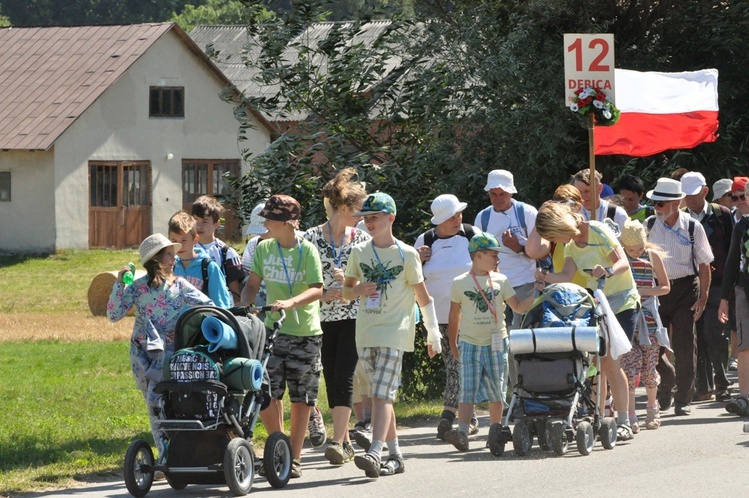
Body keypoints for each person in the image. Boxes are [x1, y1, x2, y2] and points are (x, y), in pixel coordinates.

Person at [343, 192, 442, 478]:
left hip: (395, 333)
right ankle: (396, 456)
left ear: (391, 218)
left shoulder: (407, 254)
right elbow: (347, 293)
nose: (369, 223)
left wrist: (433, 333)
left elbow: (424, 298)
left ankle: (375, 451)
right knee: (380, 396)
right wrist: (358, 290)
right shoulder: (358, 252)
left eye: (374, 217)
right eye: (365, 218)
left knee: (382, 394)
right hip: (365, 332)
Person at [534, 202, 640, 440]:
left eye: (554, 235)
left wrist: (608, 271)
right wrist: (545, 278)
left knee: (611, 362)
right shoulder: (570, 244)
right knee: (595, 363)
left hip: (621, 301)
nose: (556, 241)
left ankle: (624, 420)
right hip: (598, 302)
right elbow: (567, 275)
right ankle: (598, 417)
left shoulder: (597, 230)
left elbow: (622, 262)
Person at [237, 194, 324, 479]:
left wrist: (291, 302)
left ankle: (294, 458)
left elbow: (317, 289)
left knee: (302, 397)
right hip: (272, 332)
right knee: (267, 394)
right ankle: (279, 451)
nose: (264, 224)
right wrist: (243, 305)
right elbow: (252, 283)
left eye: (270, 219)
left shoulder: (307, 250)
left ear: (287, 223)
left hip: (305, 333)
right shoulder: (263, 248)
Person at [107, 233, 212, 456]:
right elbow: (114, 314)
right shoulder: (137, 288)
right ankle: (166, 455)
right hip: (143, 357)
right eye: (169, 255)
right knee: (153, 406)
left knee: (170, 402)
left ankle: (176, 452)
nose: (174, 259)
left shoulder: (180, 286)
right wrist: (119, 284)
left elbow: (208, 305)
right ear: (156, 260)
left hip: (170, 356)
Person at [303, 168, 370, 465]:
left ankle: (336, 440)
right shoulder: (309, 238)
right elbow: (299, 281)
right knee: (329, 377)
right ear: (343, 208)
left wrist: (347, 285)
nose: (362, 216)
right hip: (319, 319)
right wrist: (321, 293)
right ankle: (344, 442)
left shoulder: (363, 239)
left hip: (354, 317)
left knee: (344, 374)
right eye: (358, 211)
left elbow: (372, 280)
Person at [443, 233, 534, 452]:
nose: (497, 260)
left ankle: (495, 431)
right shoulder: (460, 282)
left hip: (496, 342)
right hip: (469, 343)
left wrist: (536, 291)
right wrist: (453, 345)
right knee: (467, 390)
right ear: (479, 255)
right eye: (493, 255)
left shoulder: (501, 280)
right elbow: (454, 316)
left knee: (497, 389)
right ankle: (462, 432)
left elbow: (519, 307)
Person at [644, 178, 714, 416]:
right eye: (655, 203)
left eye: (661, 203)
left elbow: (704, 264)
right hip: (655, 290)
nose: (657, 207)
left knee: (685, 346)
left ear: (676, 203)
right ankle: (667, 380)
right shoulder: (649, 225)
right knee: (653, 344)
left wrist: (703, 297)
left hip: (686, 289)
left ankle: (683, 398)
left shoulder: (694, 227)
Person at [415, 194, 480, 439]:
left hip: (469, 314)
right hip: (437, 316)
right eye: (451, 217)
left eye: (459, 214)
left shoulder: (471, 234)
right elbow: (413, 277)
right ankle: (462, 415)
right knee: (453, 366)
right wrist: (418, 259)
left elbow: (489, 266)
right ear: (439, 220)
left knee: (461, 365)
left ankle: (452, 415)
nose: (457, 219)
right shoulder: (425, 240)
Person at [681, 172, 733, 402]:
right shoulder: (680, 218)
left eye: (693, 194)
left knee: (714, 332)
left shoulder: (722, 214)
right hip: (691, 283)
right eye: (686, 195)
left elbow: (733, 249)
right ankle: (703, 386)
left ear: (704, 191)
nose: (689, 199)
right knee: (696, 335)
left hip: (719, 282)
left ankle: (722, 382)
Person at [619, 220, 670, 432]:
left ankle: (652, 407)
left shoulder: (652, 256)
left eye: (639, 248)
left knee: (650, 367)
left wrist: (644, 292)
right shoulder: (619, 258)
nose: (635, 253)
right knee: (629, 368)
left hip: (649, 320)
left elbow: (665, 287)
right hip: (626, 318)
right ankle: (630, 414)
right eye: (630, 250)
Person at [473, 170, 538, 330]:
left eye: (502, 194)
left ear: (511, 192)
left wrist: (517, 247)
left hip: (525, 282)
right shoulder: (482, 217)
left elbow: (541, 251)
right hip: (493, 284)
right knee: (497, 331)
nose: (498, 198)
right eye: (493, 194)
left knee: (523, 333)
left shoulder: (527, 212)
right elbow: (477, 254)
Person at [718, 202, 749, 417]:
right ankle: (744, 397)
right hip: (744, 289)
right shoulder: (743, 224)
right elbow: (731, 261)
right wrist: (723, 298)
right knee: (745, 345)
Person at [525, 184, 587, 288]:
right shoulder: (555, 238)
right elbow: (533, 252)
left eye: (567, 205)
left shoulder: (588, 231)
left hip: (592, 293)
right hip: (566, 296)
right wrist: (543, 214)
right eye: (558, 206)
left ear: (578, 207)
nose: (563, 211)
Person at [168, 211, 232, 308]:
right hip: (176, 323)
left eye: (184, 240)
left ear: (195, 239)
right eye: (174, 241)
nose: (179, 245)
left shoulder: (209, 268)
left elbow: (221, 307)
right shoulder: (170, 267)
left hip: (203, 322)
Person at [192, 195, 245, 304]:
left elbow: (236, 292)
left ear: (216, 223)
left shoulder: (226, 253)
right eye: (196, 220)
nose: (199, 226)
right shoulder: (184, 249)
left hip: (219, 311)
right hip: (190, 311)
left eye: (205, 221)